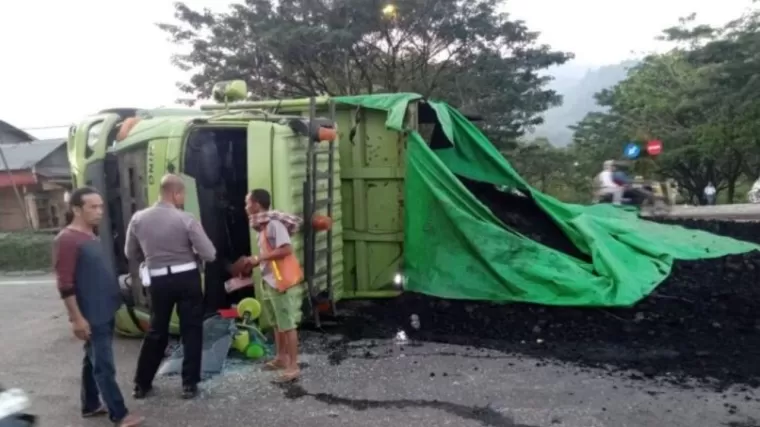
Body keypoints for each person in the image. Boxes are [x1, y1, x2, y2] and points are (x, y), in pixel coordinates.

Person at [52, 187, 144, 427]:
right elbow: (65, 284)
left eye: (101, 206)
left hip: (105, 307)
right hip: (91, 313)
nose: (99, 211)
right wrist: (76, 319)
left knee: (91, 358)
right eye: (93, 207)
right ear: (76, 209)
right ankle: (119, 414)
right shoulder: (67, 239)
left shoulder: (92, 235)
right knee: (104, 365)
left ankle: (90, 404)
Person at [125, 174, 216, 399]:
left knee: (156, 331)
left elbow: (130, 253)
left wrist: (151, 256)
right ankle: (189, 385)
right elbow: (210, 254)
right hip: (187, 279)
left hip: (158, 282)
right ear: (175, 194)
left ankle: (141, 384)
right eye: (182, 194)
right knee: (192, 330)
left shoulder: (138, 219)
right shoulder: (186, 219)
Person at [245, 189, 304, 383]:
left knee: (287, 325)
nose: (246, 207)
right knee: (277, 323)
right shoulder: (261, 227)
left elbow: (286, 249)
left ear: (257, 204)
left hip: (280, 282)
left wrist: (259, 258)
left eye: (248, 203)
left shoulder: (273, 225)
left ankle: (293, 366)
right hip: (268, 280)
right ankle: (281, 358)